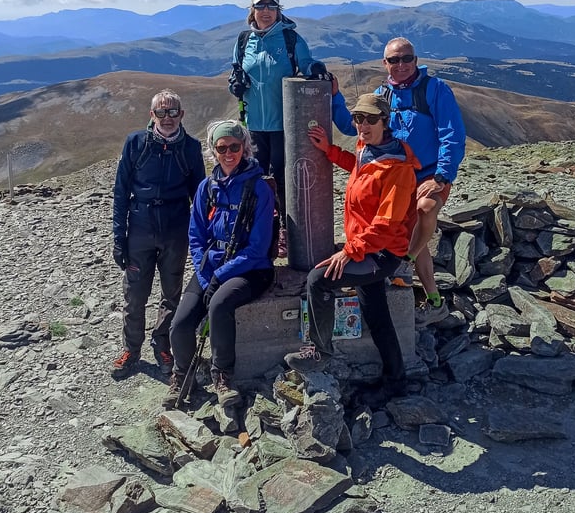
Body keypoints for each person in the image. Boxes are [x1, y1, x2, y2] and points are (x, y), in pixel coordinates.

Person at [284, 93, 419, 394]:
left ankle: (320, 351)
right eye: (358, 118)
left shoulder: (399, 170)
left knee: (319, 280)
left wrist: (349, 251)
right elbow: (359, 171)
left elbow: (386, 224)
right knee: (376, 313)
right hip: (366, 246)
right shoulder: (367, 150)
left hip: (382, 253)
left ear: (386, 122)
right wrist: (330, 151)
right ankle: (396, 380)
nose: (363, 125)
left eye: (371, 119)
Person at [332, 37, 466, 313]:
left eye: (407, 59)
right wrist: (334, 97)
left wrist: (440, 177)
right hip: (396, 175)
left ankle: (408, 256)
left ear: (416, 61)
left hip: (429, 173)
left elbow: (452, 135)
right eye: (394, 60)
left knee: (425, 208)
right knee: (405, 230)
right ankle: (433, 299)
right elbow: (353, 125)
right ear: (385, 64)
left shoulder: (435, 89)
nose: (401, 64)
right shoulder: (384, 95)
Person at [164, 120, 275, 409]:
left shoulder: (259, 189)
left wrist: (219, 276)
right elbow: (196, 233)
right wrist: (204, 270)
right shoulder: (206, 187)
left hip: (252, 269)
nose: (229, 153)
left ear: (245, 148)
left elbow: (258, 247)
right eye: (222, 147)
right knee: (180, 323)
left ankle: (222, 375)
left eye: (235, 147)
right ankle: (182, 375)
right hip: (211, 268)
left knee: (219, 305)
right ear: (213, 150)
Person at [111, 89, 205, 379]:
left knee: (171, 292)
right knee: (135, 294)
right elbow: (120, 191)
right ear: (152, 115)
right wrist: (118, 237)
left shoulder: (190, 147)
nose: (167, 118)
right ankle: (131, 349)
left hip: (176, 228)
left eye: (173, 111)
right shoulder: (136, 143)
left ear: (181, 115)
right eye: (161, 112)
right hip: (140, 226)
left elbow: (199, 194)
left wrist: (205, 236)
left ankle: (162, 342)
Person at [228, 0, 315, 254]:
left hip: (284, 126)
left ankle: (288, 234)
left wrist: (316, 69)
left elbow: (307, 65)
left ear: (279, 11)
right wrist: (235, 84)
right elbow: (236, 72)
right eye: (260, 7)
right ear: (252, 11)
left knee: (283, 179)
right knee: (256, 179)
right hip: (254, 125)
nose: (266, 12)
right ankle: (262, 232)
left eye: (271, 7)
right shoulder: (244, 41)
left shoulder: (291, 39)